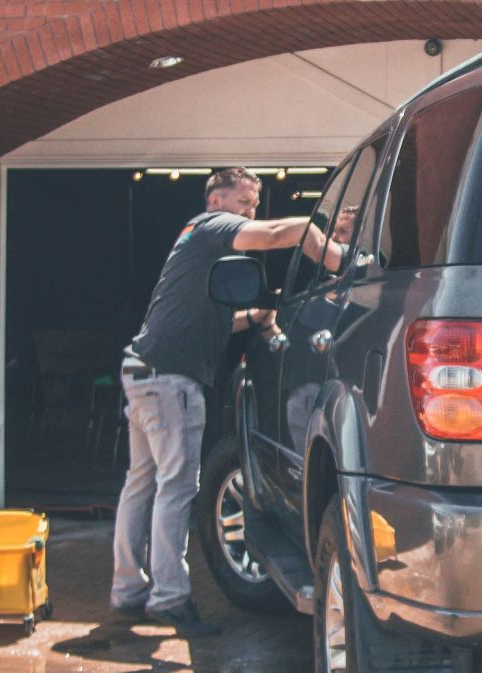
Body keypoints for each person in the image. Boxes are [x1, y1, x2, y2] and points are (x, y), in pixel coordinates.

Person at [110, 166, 335, 635]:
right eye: (243, 203)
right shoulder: (212, 227)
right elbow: (279, 232)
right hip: (171, 381)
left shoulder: (195, 242)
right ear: (216, 201)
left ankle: (127, 589)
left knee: (141, 484)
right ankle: (170, 599)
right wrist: (328, 247)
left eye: (253, 205)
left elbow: (209, 321)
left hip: (141, 369)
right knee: (176, 489)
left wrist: (255, 315)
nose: (251, 212)